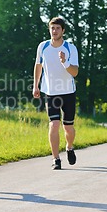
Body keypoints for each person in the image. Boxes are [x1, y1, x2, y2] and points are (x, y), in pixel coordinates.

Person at [33, 17, 79, 170]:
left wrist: (65, 62)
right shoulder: (43, 46)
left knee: (68, 128)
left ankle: (69, 147)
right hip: (51, 92)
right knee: (54, 124)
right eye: (52, 28)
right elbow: (38, 65)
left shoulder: (70, 48)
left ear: (63, 30)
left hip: (68, 92)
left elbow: (75, 72)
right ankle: (56, 158)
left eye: (58, 28)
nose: (54, 31)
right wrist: (36, 86)